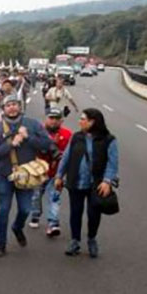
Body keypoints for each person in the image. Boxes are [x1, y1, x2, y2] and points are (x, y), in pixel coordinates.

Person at [0, 95, 54, 256]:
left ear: (20, 106)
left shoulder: (32, 124)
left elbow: (46, 144)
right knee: (4, 210)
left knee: (25, 209)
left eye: (14, 104)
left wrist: (28, 137)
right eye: (8, 105)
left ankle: (17, 227)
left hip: (27, 176)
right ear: (3, 108)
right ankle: (0, 244)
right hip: (5, 175)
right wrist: (11, 144)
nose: (12, 107)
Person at [54, 108, 118, 258]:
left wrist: (107, 181)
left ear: (92, 122)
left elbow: (112, 163)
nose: (79, 121)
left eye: (83, 119)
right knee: (75, 212)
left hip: (96, 184)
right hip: (76, 181)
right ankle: (75, 240)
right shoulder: (77, 137)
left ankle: (91, 239)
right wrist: (59, 175)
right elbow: (66, 157)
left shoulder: (109, 140)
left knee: (93, 213)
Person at [28, 107, 71, 236]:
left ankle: (53, 223)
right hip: (39, 170)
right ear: (46, 119)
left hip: (57, 173)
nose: (53, 121)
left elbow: (69, 155)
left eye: (56, 119)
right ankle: (35, 214)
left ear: (61, 121)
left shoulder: (68, 135)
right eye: (51, 118)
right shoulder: (38, 132)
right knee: (36, 195)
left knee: (54, 198)